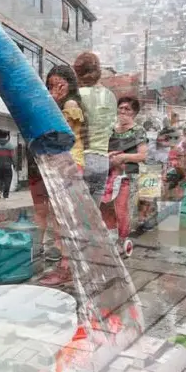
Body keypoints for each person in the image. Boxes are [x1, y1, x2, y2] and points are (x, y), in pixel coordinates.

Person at [37, 64, 88, 286]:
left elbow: (58, 133)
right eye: (50, 85)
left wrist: (52, 102)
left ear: (69, 84)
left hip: (69, 164)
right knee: (62, 218)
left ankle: (66, 268)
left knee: (63, 219)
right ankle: (68, 266)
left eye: (59, 84)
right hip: (65, 163)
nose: (53, 89)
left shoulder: (69, 104)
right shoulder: (67, 103)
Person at [101, 97, 148, 255]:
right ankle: (110, 237)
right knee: (106, 206)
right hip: (109, 174)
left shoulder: (138, 131)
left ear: (134, 113)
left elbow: (142, 156)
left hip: (126, 176)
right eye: (121, 108)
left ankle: (122, 239)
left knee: (121, 208)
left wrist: (123, 157)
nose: (123, 111)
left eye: (127, 109)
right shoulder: (111, 130)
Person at [74, 52, 117, 205]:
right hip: (102, 160)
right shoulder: (111, 96)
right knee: (93, 217)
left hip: (82, 158)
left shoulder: (78, 95)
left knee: (77, 215)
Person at [0, 130, 16, 199]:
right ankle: (5, 195)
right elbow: (12, 156)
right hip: (7, 166)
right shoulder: (10, 145)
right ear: (7, 136)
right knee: (8, 179)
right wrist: (14, 164)